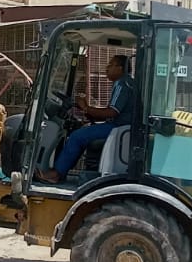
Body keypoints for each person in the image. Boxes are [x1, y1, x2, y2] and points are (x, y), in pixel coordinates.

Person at [36, 55, 135, 183]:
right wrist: (87, 110)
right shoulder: (128, 83)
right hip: (121, 127)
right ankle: (61, 171)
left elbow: (112, 112)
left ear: (120, 68)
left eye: (111, 65)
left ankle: (56, 174)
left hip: (117, 127)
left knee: (77, 136)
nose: (107, 68)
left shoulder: (122, 84)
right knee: (82, 132)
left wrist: (86, 108)